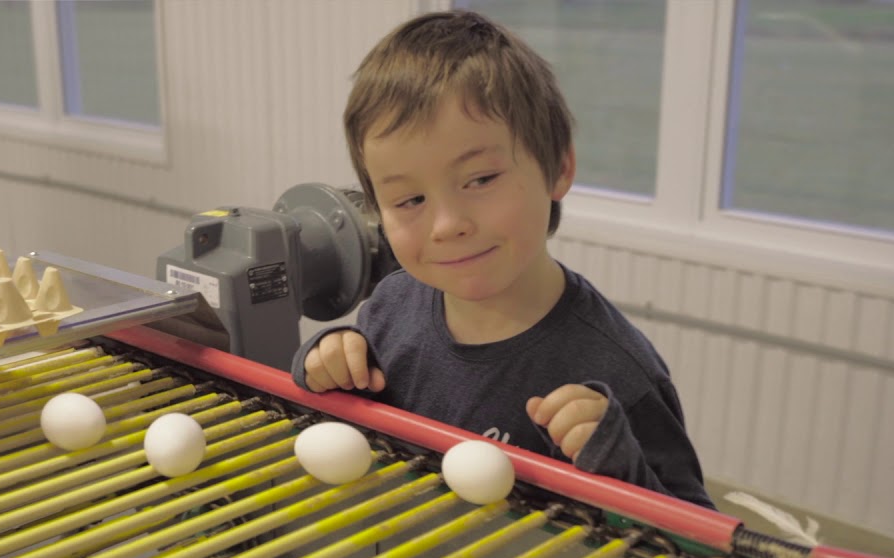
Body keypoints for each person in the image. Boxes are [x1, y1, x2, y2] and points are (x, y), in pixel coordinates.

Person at [290, 10, 714, 509]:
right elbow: (349, 413)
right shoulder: (391, 304)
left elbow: (701, 549)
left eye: (481, 180)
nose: (447, 225)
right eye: (410, 201)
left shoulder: (618, 372)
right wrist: (323, 359)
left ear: (558, 168)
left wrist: (616, 463)